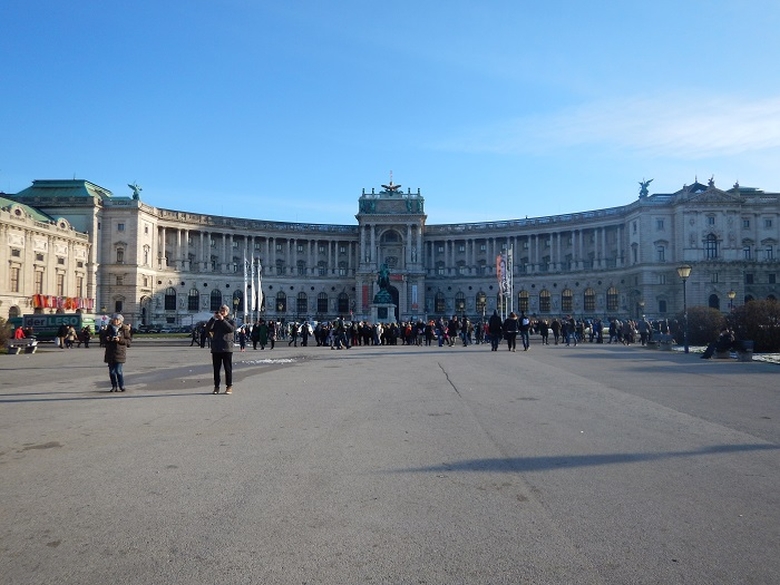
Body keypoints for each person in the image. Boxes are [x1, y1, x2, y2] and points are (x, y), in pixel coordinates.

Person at [206, 305, 236, 394]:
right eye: (220, 310)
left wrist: (223, 320)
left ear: (227, 312)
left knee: (228, 368)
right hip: (216, 348)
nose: (221, 312)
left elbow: (230, 329)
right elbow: (208, 328)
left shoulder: (231, 321)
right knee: (216, 369)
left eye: (223, 311)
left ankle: (229, 386)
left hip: (227, 348)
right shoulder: (216, 322)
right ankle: (216, 387)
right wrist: (213, 318)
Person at [101, 313, 132, 392]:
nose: (115, 321)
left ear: (120, 321)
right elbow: (103, 340)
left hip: (120, 353)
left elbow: (128, 342)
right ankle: (114, 386)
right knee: (111, 372)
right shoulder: (109, 328)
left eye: (117, 320)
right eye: (114, 319)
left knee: (118, 371)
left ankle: (121, 385)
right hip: (110, 352)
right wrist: (107, 339)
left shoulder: (124, 329)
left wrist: (119, 340)